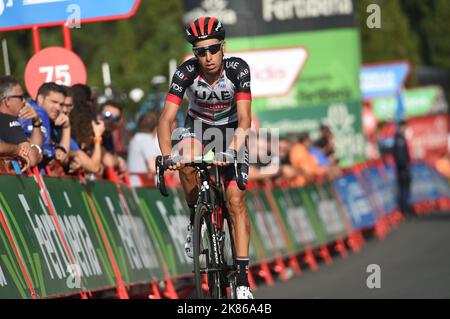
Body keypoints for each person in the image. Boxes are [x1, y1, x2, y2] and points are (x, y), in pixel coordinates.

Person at [157, 16, 253, 299]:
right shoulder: (185, 73)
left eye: (213, 49)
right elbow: (166, 119)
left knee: (235, 200)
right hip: (197, 127)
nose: (208, 57)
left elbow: (246, 120)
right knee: (185, 162)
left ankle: (244, 280)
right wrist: (166, 156)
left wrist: (232, 150)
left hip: (232, 130)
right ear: (194, 53)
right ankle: (194, 219)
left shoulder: (238, 70)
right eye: (200, 51)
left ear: (223, 47)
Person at [0, 76, 43, 171]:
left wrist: (36, 121)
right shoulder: (8, 120)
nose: (24, 101)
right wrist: (39, 152)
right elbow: (31, 157)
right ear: (7, 101)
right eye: (20, 97)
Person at [392, 120, 412, 216]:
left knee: (406, 188)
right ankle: (404, 209)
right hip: (402, 168)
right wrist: (405, 164)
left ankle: (405, 208)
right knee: (404, 189)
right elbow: (400, 155)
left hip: (404, 167)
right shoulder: (398, 138)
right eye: (404, 127)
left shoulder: (401, 138)